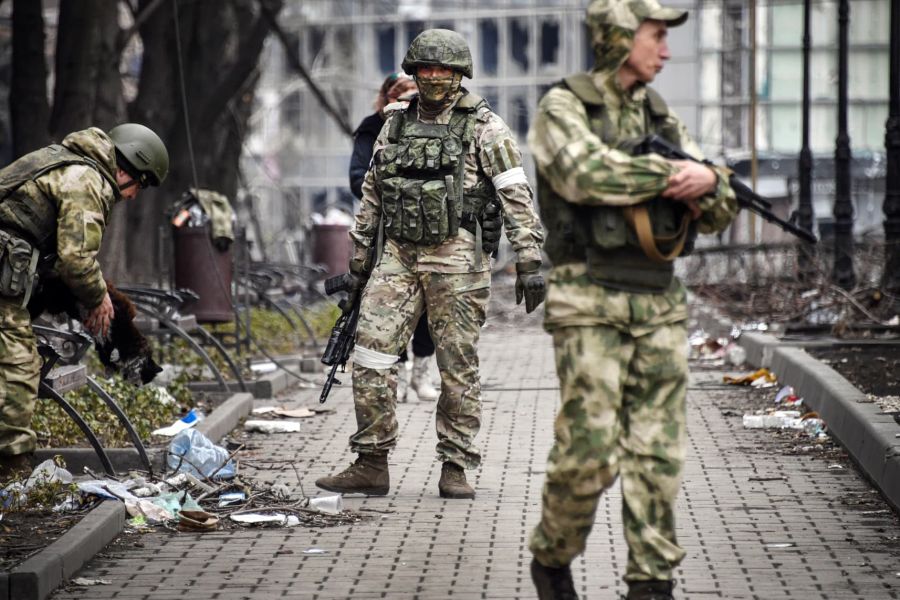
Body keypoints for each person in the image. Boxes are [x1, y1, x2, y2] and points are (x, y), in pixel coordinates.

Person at [526, 1, 738, 599]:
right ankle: (552, 556)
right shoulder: (564, 106)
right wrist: (677, 178)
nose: (665, 51)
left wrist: (711, 182)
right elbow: (583, 175)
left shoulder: (661, 116)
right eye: (656, 37)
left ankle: (651, 581)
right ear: (620, 37)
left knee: (657, 454)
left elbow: (719, 207)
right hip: (588, 300)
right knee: (590, 452)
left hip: (659, 302)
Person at [317, 29, 545, 500]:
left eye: (445, 69)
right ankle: (371, 462)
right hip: (398, 258)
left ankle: (456, 465)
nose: (435, 77)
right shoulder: (395, 124)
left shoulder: (485, 128)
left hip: (458, 262)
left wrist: (529, 259)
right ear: (414, 72)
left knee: (457, 367)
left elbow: (515, 195)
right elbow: (372, 197)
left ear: (460, 74)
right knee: (370, 356)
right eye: (426, 68)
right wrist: (358, 265)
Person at [0, 123, 169, 480]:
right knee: (18, 368)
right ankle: (10, 472)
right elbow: (76, 261)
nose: (133, 196)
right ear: (126, 169)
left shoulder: (69, 163)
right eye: (139, 185)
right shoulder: (87, 180)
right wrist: (97, 297)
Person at [349, 71, 439, 402]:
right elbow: (358, 178)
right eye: (400, 96)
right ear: (387, 99)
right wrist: (394, 192)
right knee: (390, 307)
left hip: (430, 232)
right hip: (387, 233)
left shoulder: (435, 126)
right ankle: (398, 373)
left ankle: (421, 372)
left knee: (430, 305)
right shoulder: (373, 128)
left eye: (414, 95)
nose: (408, 103)